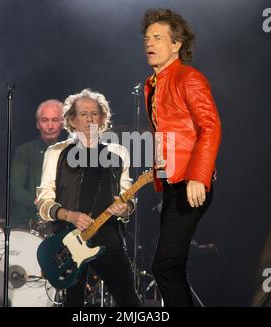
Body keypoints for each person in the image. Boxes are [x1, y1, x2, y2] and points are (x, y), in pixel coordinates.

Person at [141, 9, 222, 306]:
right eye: (147, 38)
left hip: (191, 180)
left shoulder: (188, 78)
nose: (149, 43)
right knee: (172, 267)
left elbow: (210, 127)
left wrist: (199, 176)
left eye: (158, 38)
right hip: (174, 183)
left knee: (164, 266)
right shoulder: (154, 83)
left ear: (176, 44)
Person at [36, 88, 141, 307]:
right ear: (72, 120)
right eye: (83, 114)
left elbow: (127, 196)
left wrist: (126, 208)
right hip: (69, 240)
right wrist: (69, 215)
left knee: (131, 304)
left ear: (102, 118)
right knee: (73, 305)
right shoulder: (57, 152)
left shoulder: (118, 153)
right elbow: (43, 202)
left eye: (94, 113)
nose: (89, 118)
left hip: (109, 239)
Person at [10, 99, 64, 228]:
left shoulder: (70, 151)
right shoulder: (25, 151)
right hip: (28, 219)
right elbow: (14, 188)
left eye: (55, 120)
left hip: (61, 219)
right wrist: (38, 202)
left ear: (62, 124)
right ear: (38, 124)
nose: (50, 126)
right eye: (45, 120)